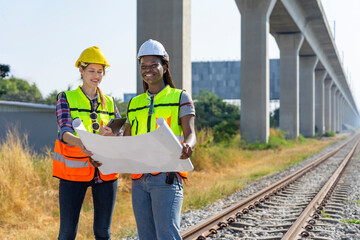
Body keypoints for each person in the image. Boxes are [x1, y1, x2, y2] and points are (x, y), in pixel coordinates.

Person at [123, 39, 196, 240]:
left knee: (167, 235)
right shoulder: (134, 103)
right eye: (143, 66)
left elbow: (191, 133)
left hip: (167, 176)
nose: (148, 70)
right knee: (146, 236)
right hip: (139, 180)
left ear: (164, 66)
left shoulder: (180, 97)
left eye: (153, 65)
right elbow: (126, 141)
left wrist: (188, 145)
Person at [53, 46, 120, 240]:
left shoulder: (109, 101)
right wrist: (80, 143)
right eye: (91, 70)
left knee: (103, 232)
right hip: (74, 172)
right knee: (67, 233)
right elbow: (64, 131)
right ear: (81, 71)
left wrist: (113, 133)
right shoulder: (66, 98)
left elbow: (119, 130)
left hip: (105, 172)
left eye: (100, 71)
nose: (96, 76)